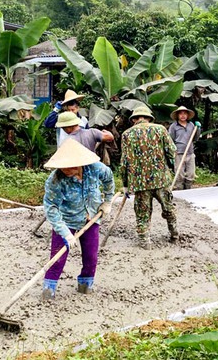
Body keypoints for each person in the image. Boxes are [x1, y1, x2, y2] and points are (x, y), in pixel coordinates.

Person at [41, 139, 114, 300]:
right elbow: (51, 208)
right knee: (57, 257)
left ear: (78, 163)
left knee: (91, 256)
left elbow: (109, 179)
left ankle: (85, 286)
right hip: (66, 221)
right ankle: (48, 290)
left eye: (69, 166)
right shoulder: (55, 180)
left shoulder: (95, 169)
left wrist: (107, 201)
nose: (65, 169)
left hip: (91, 217)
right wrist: (65, 232)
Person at [120, 105, 177, 249]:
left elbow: (124, 162)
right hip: (161, 179)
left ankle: (145, 242)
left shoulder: (127, 134)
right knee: (169, 208)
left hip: (140, 183)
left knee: (142, 213)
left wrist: (125, 184)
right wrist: (170, 168)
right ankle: (174, 233)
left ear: (134, 119)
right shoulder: (161, 129)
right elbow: (171, 152)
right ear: (149, 118)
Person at [168, 106, 201, 190]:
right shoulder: (173, 126)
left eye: (185, 113)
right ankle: (180, 190)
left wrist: (198, 129)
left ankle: (188, 189)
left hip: (190, 152)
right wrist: (172, 151)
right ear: (178, 115)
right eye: (181, 114)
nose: (183, 115)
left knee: (191, 173)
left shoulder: (191, 125)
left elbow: (195, 138)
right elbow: (170, 140)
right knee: (180, 174)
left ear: (187, 115)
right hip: (178, 152)